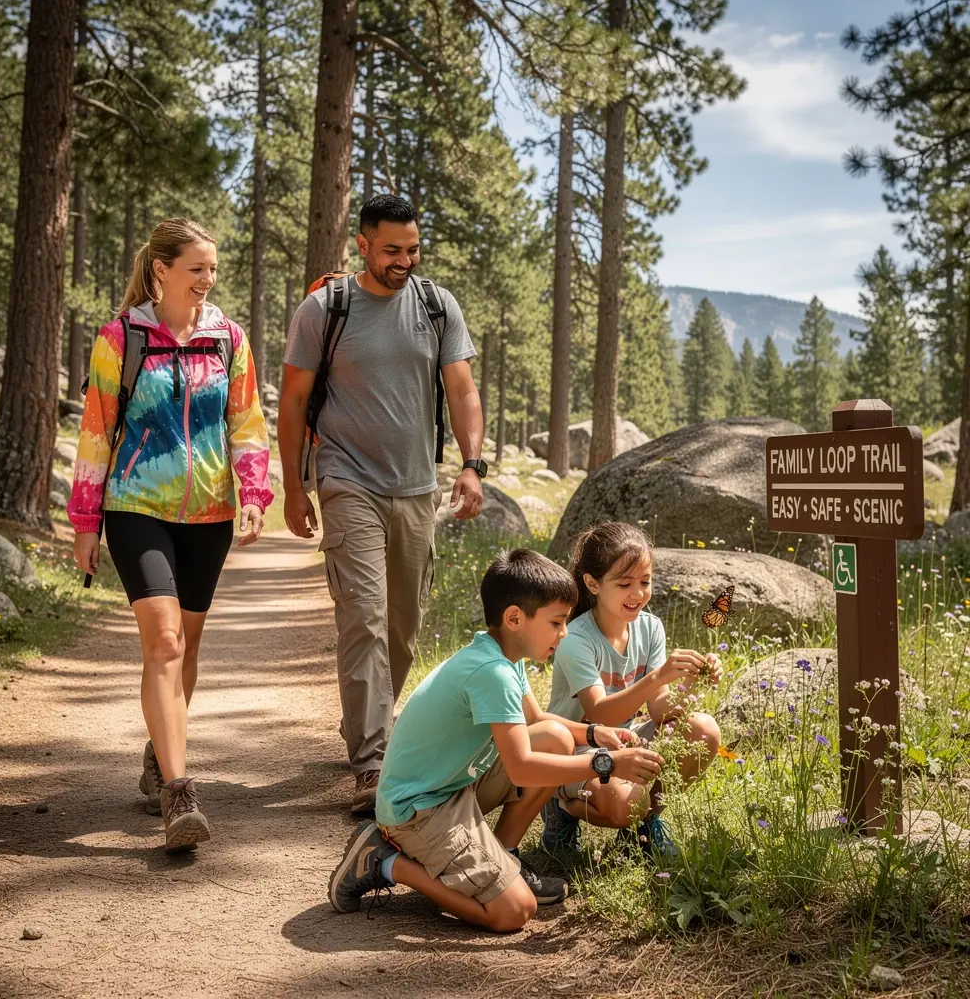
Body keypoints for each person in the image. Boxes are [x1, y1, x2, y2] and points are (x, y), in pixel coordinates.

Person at [69, 218, 274, 855]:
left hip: (208, 511)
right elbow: (97, 431)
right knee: (162, 642)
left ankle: (161, 753)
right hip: (137, 506)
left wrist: (254, 495)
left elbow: (246, 423)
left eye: (213, 269)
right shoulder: (121, 338)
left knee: (185, 647)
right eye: (197, 269)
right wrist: (84, 522)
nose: (208, 280)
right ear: (161, 271)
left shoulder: (227, 338)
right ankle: (179, 790)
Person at [326, 549, 666, 932]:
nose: (564, 633)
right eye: (556, 622)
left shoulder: (504, 651)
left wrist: (592, 733)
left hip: (452, 788)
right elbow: (521, 765)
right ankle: (384, 860)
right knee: (513, 912)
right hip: (417, 810)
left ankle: (504, 855)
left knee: (553, 736)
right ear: (515, 618)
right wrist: (606, 762)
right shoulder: (493, 673)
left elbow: (535, 720)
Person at [280, 194, 487, 815]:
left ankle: (373, 725)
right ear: (363, 244)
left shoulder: (435, 305)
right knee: (365, 616)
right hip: (347, 480)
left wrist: (472, 464)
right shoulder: (326, 309)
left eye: (413, 249)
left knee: (403, 624)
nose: (404, 261)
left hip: (416, 486)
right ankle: (374, 761)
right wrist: (295, 485)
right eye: (392, 249)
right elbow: (293, 402)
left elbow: (462, 389)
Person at [541, 522, 722, 856]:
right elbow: (600, 714)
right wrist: (657, 677)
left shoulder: (650, 628)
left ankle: (645, 824)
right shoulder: (576, 639)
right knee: (626, 804)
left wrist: (688, 682)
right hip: (576, 749)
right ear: (593, 584)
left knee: (704, 730)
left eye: (645, 581)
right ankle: (559, 807)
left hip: (625, 741)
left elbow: (658, 710)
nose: (638, 593)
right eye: (625, 584)